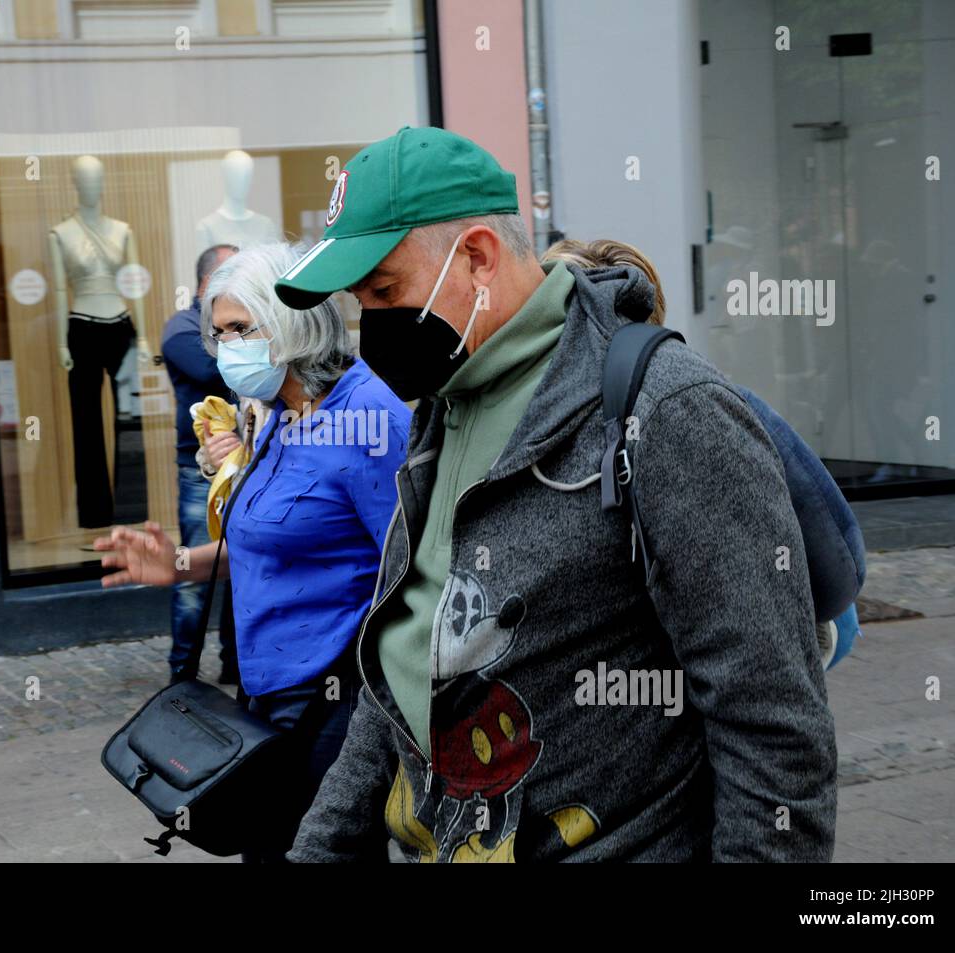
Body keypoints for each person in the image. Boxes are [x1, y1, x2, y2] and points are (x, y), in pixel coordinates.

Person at [273, 126, 837, 862]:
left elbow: (772, 725)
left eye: (385, 290)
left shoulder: (668, 410)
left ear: (477, 255)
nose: (371, 322)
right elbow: (405, 668)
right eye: (361, 300)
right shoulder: (445, 407)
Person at [97, 241, 412, 862]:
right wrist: (181, 563)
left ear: (292, 323)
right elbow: (273, 540)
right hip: (266, 694)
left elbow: (412, 565)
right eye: (220, 333)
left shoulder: (368, 415)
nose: (228, 348)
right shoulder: (275, 412)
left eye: (242, 329)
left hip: (340, 702)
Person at [160, 243, 240, 685]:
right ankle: (182, 676)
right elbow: (211, 372)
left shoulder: (230, 323)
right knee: (194, 571)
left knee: (243, 564)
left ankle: (234, 665)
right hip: (200, 470)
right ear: (207, 282)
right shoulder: (182, 327)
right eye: (232, 275)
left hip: (245, 461)